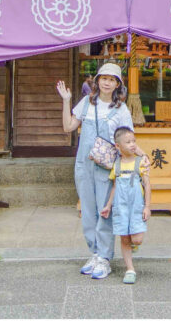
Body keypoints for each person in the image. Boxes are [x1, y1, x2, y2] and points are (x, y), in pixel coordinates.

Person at [57, 62, 134, 280]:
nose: (107, 82)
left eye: (112, 79)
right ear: (97, 80)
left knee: (104, 210)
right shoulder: (86, 103)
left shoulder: (121, 110)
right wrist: (65, 101)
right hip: (84, 164)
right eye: (104, 78)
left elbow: (128, 139)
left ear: (118, 84)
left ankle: (105, 258)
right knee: (88, 211)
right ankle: (94, 253)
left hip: (106, 168)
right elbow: (68, 127)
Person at [100, 126, 152, 285]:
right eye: (128, 142)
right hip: (120, 207)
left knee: (137, 239)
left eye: (134, 141)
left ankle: (134, 245)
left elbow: (147, 185)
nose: (132, 144)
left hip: (136, 207)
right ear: (118, 146)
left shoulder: (140, 162)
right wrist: (108, 205)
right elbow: (115, 187)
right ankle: (130, 269)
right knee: (124, 237)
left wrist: (147, 206)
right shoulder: (116, 165)